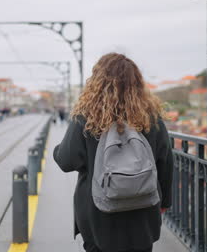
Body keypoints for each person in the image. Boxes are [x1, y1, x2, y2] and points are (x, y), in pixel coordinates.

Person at [53, 53, 174, 252]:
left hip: (98, 213)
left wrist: (59, 149)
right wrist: (165, 201)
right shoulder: (151, 117)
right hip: (143, 209)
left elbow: (67, 161)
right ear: (137, 83)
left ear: (97, 82)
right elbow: (166, 160)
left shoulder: (86, 117)